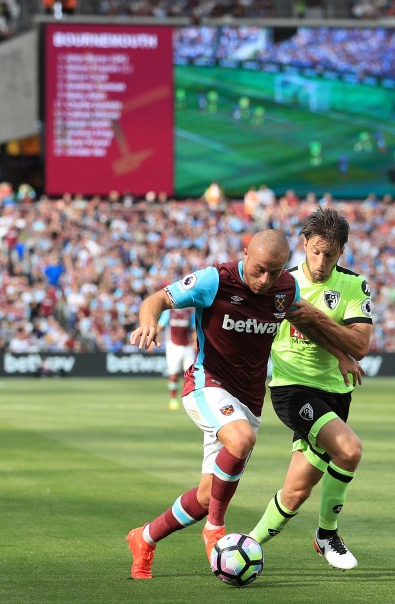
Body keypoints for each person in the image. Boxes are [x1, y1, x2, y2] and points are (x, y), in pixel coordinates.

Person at [125, 230, 361, 579]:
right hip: (208, 384)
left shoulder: (284, 288)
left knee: (207, 496)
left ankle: (144, 538)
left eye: (276, 271)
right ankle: (215, 530)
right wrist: (148, 324)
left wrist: (341, 355)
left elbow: (303, 324)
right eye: (260, 269)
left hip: (249, 400)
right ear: (245, 252)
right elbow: (157, 299)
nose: (265, 280)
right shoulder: (214, 279)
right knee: (240, 441)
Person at [248, 208, 373, 570]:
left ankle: (244, 546)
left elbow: (360, 346)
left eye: (329, 254)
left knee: (296, 491)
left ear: (341, 252)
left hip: (336, 393)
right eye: (315, 251)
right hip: (292, 389)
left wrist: (316, 319)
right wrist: (337, 342)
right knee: (349, 450)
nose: (320, 261)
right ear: (304, 245)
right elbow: (325, 333)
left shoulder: (354, 285)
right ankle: (327, 534)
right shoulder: (282, 282)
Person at [156, 307, 196, 410]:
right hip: (173, 346)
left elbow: (193, 329)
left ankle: (192, 400)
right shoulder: (169, 312)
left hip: (187, 346)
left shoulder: (189, 313)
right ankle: (173, 399)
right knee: (173, 375)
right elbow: (160, 326)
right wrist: (153, 340)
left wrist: (195, 342)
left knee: (192, 375)